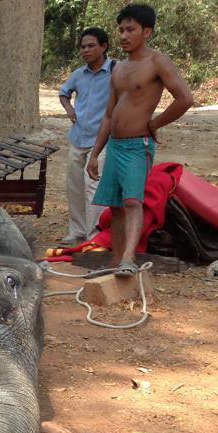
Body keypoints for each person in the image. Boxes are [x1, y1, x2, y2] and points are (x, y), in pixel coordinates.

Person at [87, 4, 193, 276]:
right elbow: (109, 116)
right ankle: (115, 264)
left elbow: (185, 99)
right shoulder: (118, 68)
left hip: (138, 144)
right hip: (115, 145)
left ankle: (128, 260)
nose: (123, 35)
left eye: (130, 29)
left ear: (147, 31)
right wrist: (95, 153)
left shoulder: (157, 61)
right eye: (121, 30)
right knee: (116, 205)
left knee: (133, 202)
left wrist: (154, 123)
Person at [58, 28, 115, 245]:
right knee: (74, 186)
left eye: (91, 45)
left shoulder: (116, 71)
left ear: (104, 46)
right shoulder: (78, 74)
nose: (86, 50)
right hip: (77, 137)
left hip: (101, 141)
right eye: (83, 46)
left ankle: (94, 236)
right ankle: (78, 230)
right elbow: (64, 93)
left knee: (93, 187)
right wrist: (69, 109)